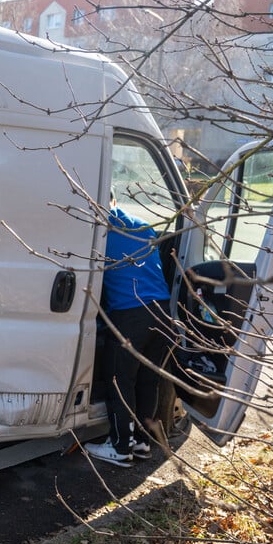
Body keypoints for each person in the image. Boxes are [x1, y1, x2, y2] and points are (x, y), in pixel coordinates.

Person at [84, 190, 171, 467]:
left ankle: (121, 447)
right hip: (162, 312)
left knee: (120, 381)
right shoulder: (143, 226)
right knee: (147, 380)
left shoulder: (97, 233)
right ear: (114, 201)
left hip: (131, 315)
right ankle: (143, 442)